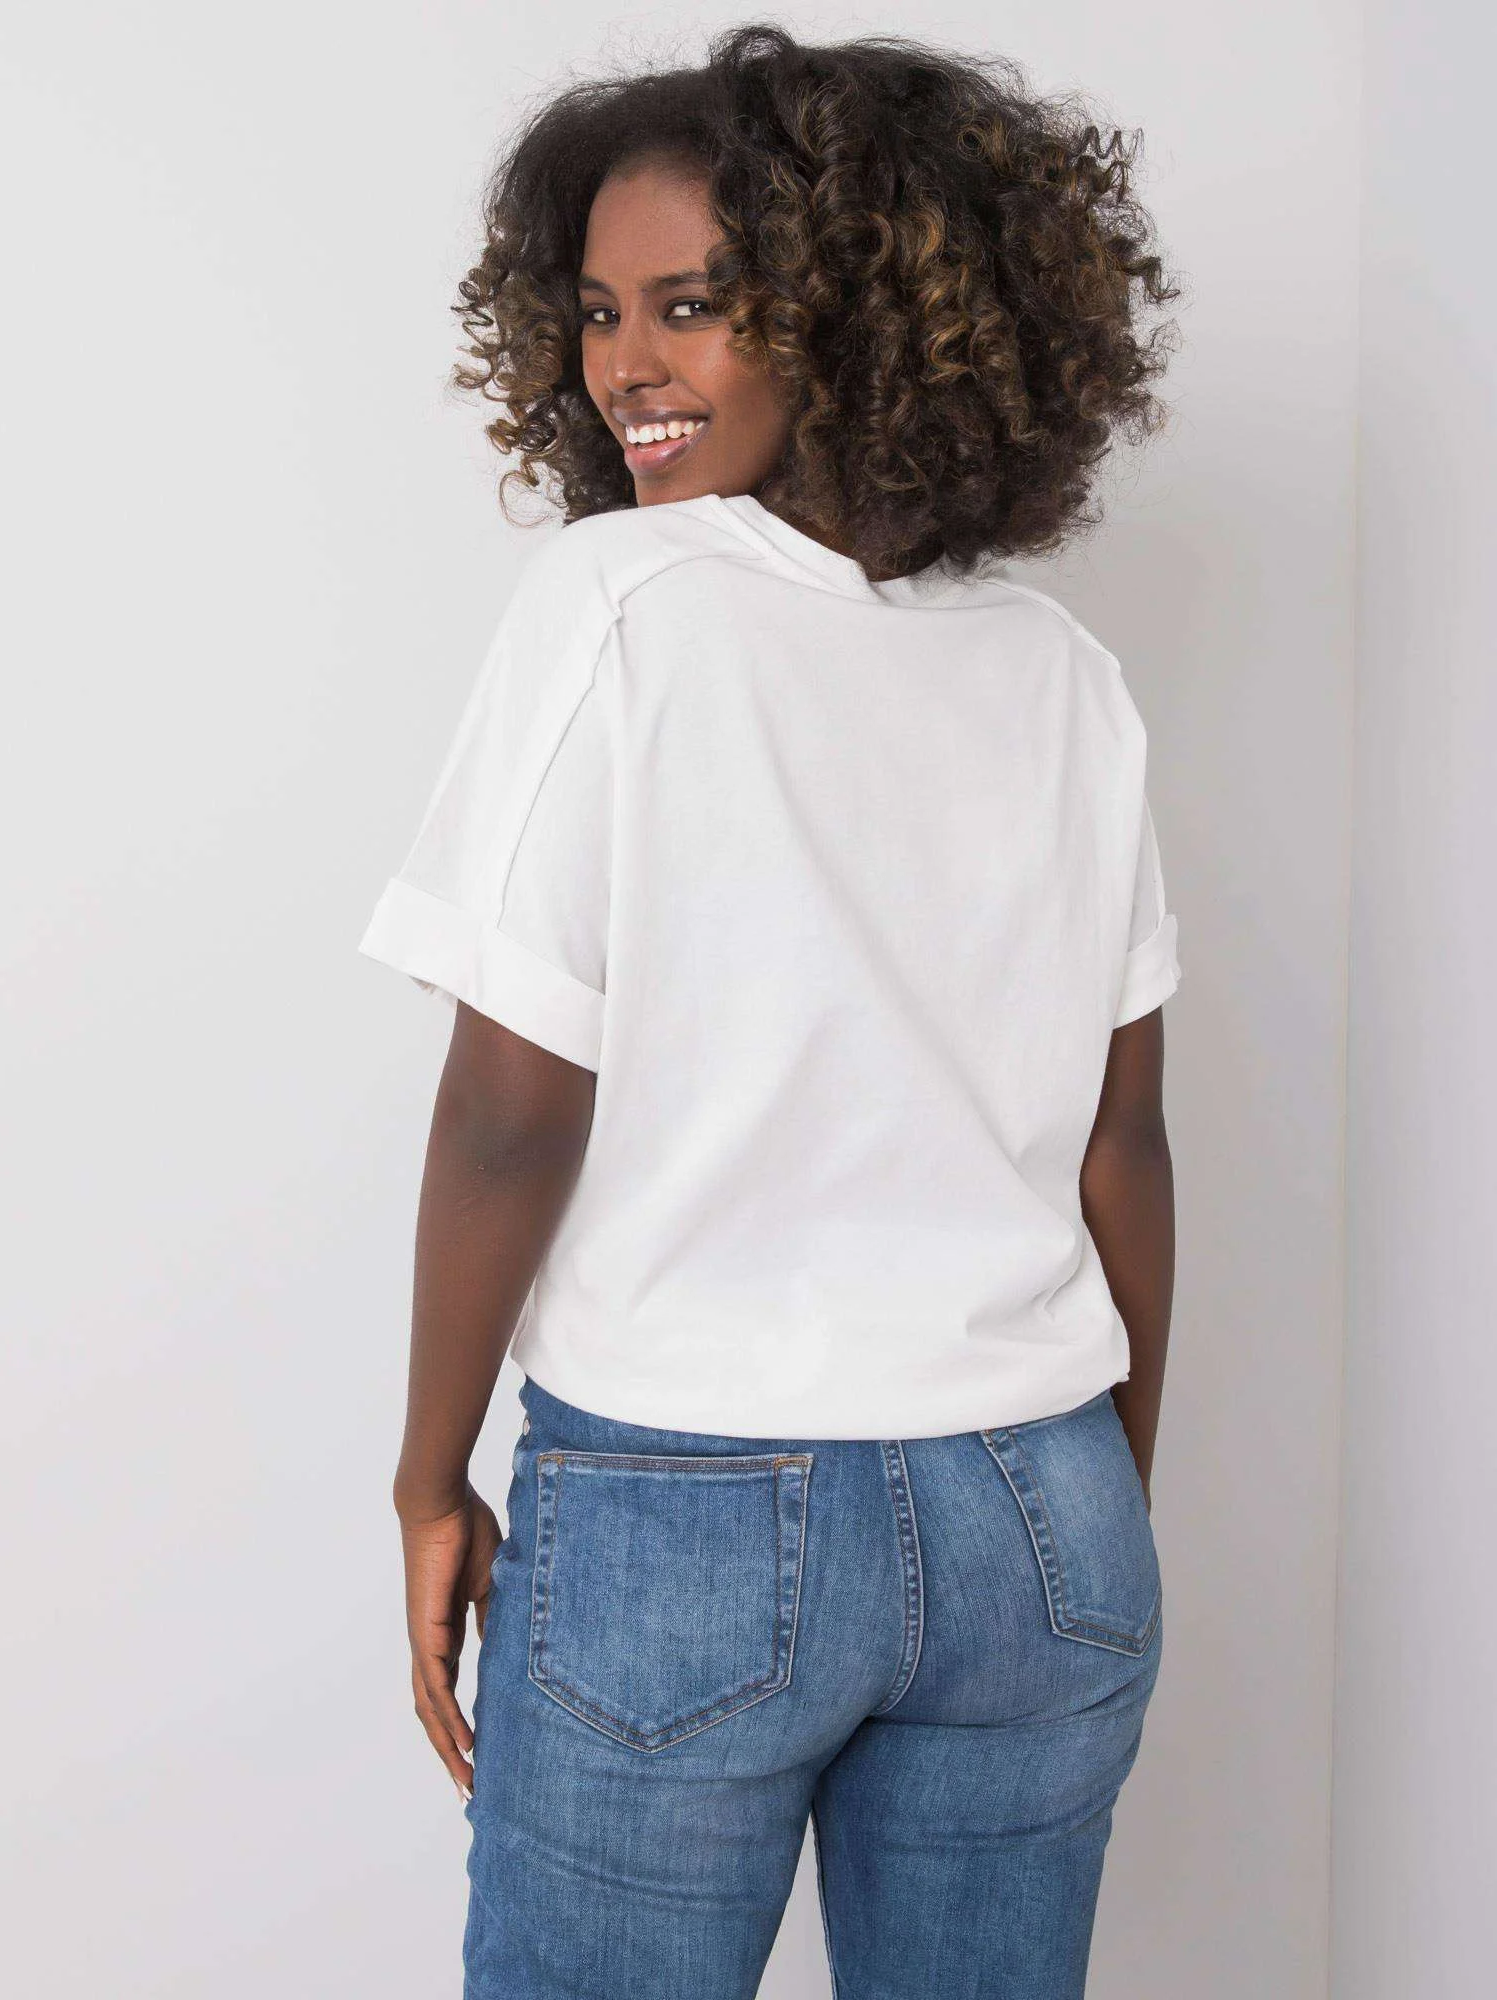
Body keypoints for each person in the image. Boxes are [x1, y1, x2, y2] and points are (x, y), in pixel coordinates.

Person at [358, 23, 1184, 1998]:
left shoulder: (617, 605)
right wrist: (1099, 1496)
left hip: (689, 1502)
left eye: (694, 305)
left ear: (864, 313)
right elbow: (1123, 1144)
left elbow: (508, 1113)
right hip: (1043, 1499)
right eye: (596, 312)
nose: (624, 367)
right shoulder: (1060, 672)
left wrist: (425, 1473)